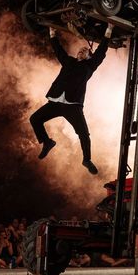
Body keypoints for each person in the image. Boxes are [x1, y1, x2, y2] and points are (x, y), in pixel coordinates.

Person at [29, 23, 113, 175]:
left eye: (85, 50)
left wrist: (109, 30)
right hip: (55, 102)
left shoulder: (90, 66)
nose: (81, 51)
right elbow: (58, 50)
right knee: (34, 119)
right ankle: (47, 142)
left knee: (84, 134)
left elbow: (101, 52)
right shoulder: (68, 61)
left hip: (72, 106)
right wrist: (52, 33)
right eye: (80, 50)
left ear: (89, 56)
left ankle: (86, 160)